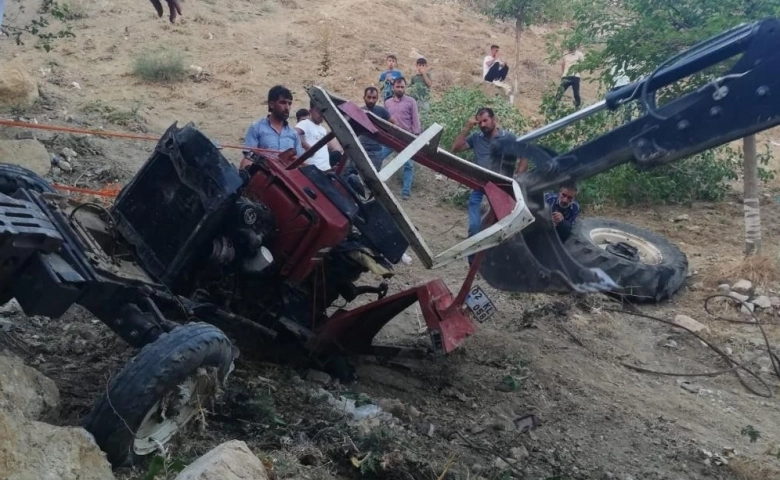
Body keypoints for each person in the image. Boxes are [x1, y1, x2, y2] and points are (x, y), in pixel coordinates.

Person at [452, 107, 528, 264]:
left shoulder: (509, 138)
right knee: (474, 228)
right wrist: (467, 127)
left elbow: (525, 155)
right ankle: (474, 264)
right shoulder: (477, 137)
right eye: (479, 122)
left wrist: (519, 177)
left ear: (495, 120)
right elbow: (456, 148)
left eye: (485, 121)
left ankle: (493, 263)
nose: (482, 125)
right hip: (480, 189)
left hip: (502, 192)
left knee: (499, 231)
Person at [384, 77, 421, 200]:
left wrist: (415, 136)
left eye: (402, 87)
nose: (400, 89)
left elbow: (415, 120)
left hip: (406, 138)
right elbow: (384, 119)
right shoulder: (387, 102)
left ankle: (405, 192)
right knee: (378, 157)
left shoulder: (411, 101)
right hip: (390, 137)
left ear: (405, 88)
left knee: (408, 165)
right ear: (393, 87)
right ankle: (376, 184)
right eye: (397, 87)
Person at [243, 85, 304, 156]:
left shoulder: (293, 133)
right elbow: (248, 158)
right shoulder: (256, 128)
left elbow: (299, 162)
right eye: (283, 103)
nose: (287, 107)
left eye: (289, 104)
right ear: (271, 104)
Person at [294, 103, 343, 171]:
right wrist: (309, 148)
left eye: (323, 111)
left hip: (325, 168)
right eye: (318, 111)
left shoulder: (323, 129)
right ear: (310, 111)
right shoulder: (304, 123)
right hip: (312, 168)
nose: (321, 114)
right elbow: (294, 134)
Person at [358, 86, 396, 170]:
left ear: (377, 98)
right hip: (360, 149)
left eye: (374, 98)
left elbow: (395, 124)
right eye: (369, 97)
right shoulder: (359, 111)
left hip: (376, 151)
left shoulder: (381, 111)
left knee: (373, 178)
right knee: (348, 173)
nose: (371, 100)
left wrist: (386, 135)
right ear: (364, 97)